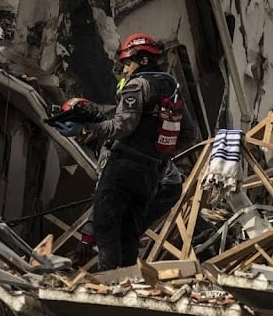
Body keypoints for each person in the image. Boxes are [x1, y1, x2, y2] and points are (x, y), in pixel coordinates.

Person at [53, 33, 196, 271]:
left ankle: (109, 282)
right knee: (129, 233)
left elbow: (122, 126)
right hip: (151, 174)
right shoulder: (172, 89)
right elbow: (188, 134)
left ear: (142, 60)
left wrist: (86, 128)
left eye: (127, 64)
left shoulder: (138, 85)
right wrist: (157, 154)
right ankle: (127, 283)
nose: (125, 71)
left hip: (124, 166)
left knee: (107, 228)